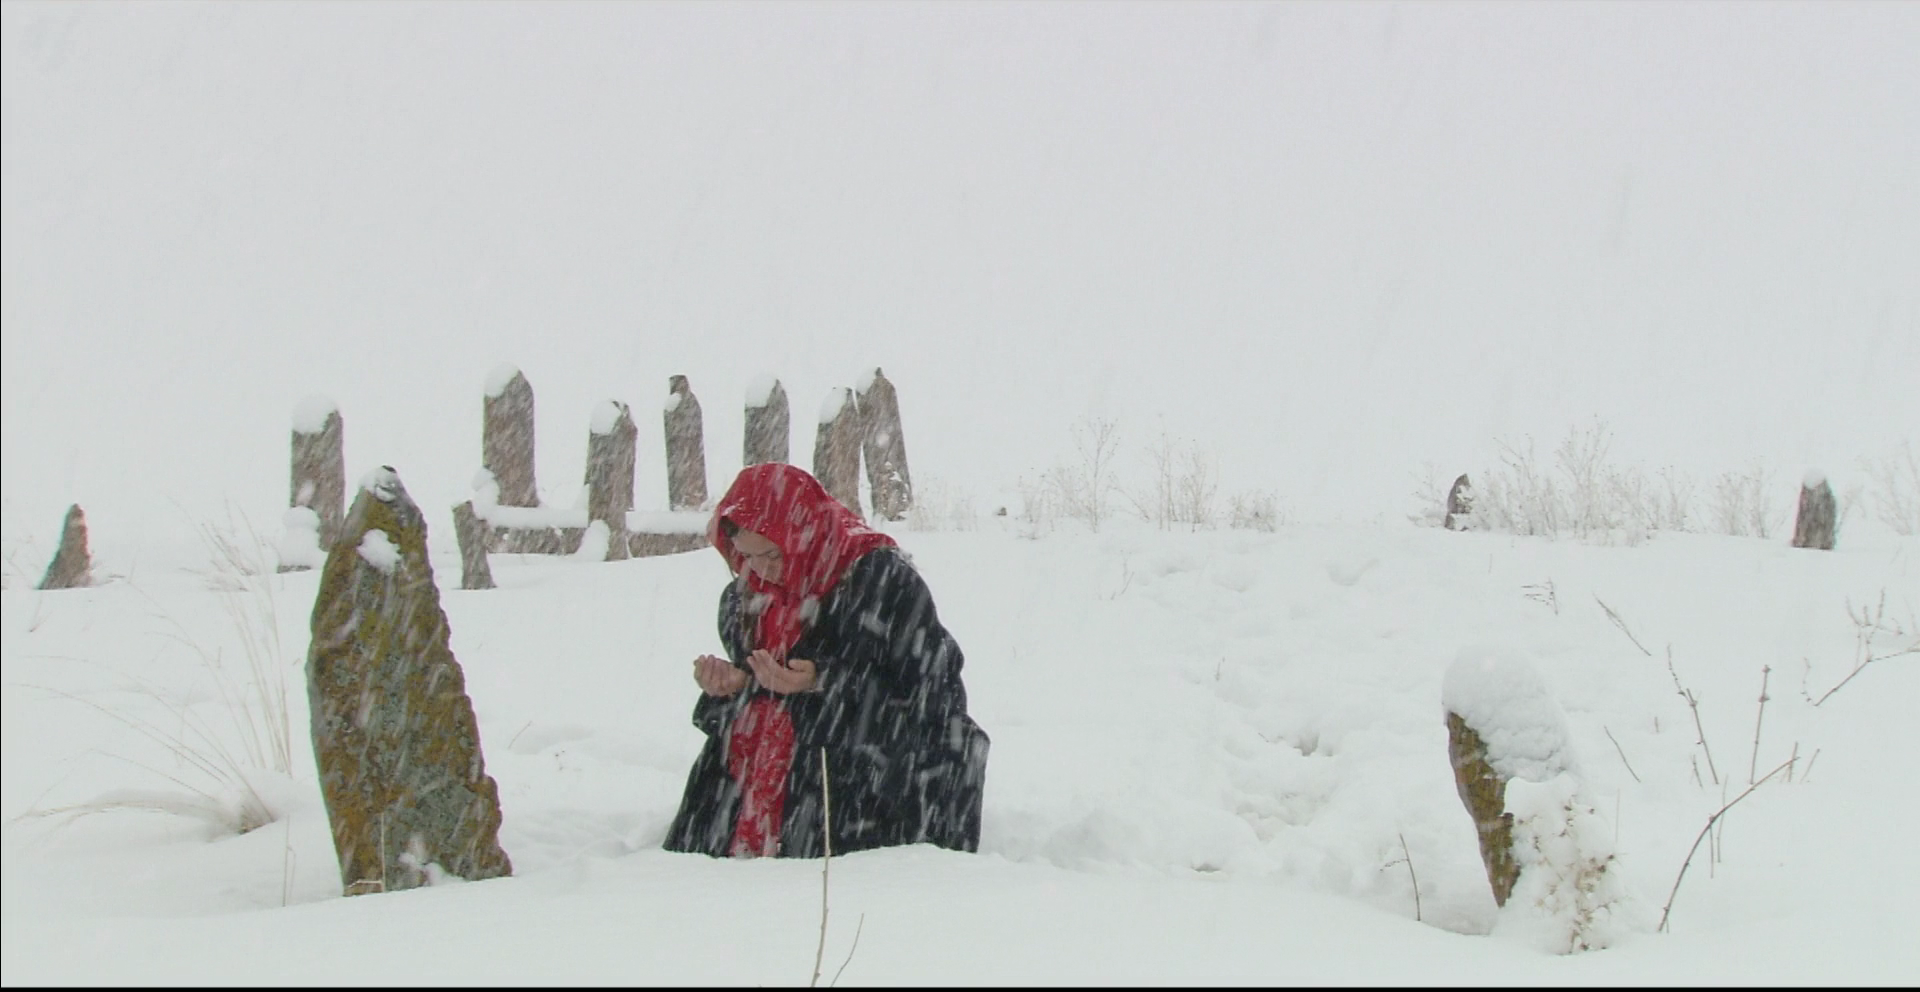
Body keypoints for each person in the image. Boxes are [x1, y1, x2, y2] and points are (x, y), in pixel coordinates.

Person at [663, 462, 990, 858]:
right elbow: (764, 693)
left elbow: (933, 687)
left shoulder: (879, 579)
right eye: (746, 556)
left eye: (772, 553)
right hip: (784, 784)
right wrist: (737, 684)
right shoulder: (744, 600)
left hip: (872, 780)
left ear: (802, 534)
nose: (761, 569)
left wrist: (823, 681)